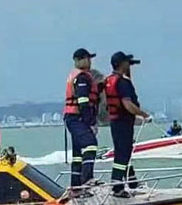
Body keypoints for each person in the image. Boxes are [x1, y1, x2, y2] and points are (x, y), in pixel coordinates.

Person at [103, 52, 151, 197]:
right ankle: (117, 186)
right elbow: (127, 104)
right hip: (123, 122)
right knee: (122, 154)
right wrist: (144, 115)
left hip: (115, 121)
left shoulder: (110, 80)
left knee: (124, 151)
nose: (129, 66)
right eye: (127, 63)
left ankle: (132, 181)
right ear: (122, 64)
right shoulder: (123, 82)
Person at [63, 48, 100, 189]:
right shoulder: (82, 77)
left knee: (78, 153)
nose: (89, 61)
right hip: (77, 117)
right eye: (86, 58)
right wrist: (90, 122)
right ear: (78, 61)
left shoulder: (77, 76)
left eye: (89, 58)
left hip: (71, 117)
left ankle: (76, 185)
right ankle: (87, 180)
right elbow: (83, 101)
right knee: (90, 144)